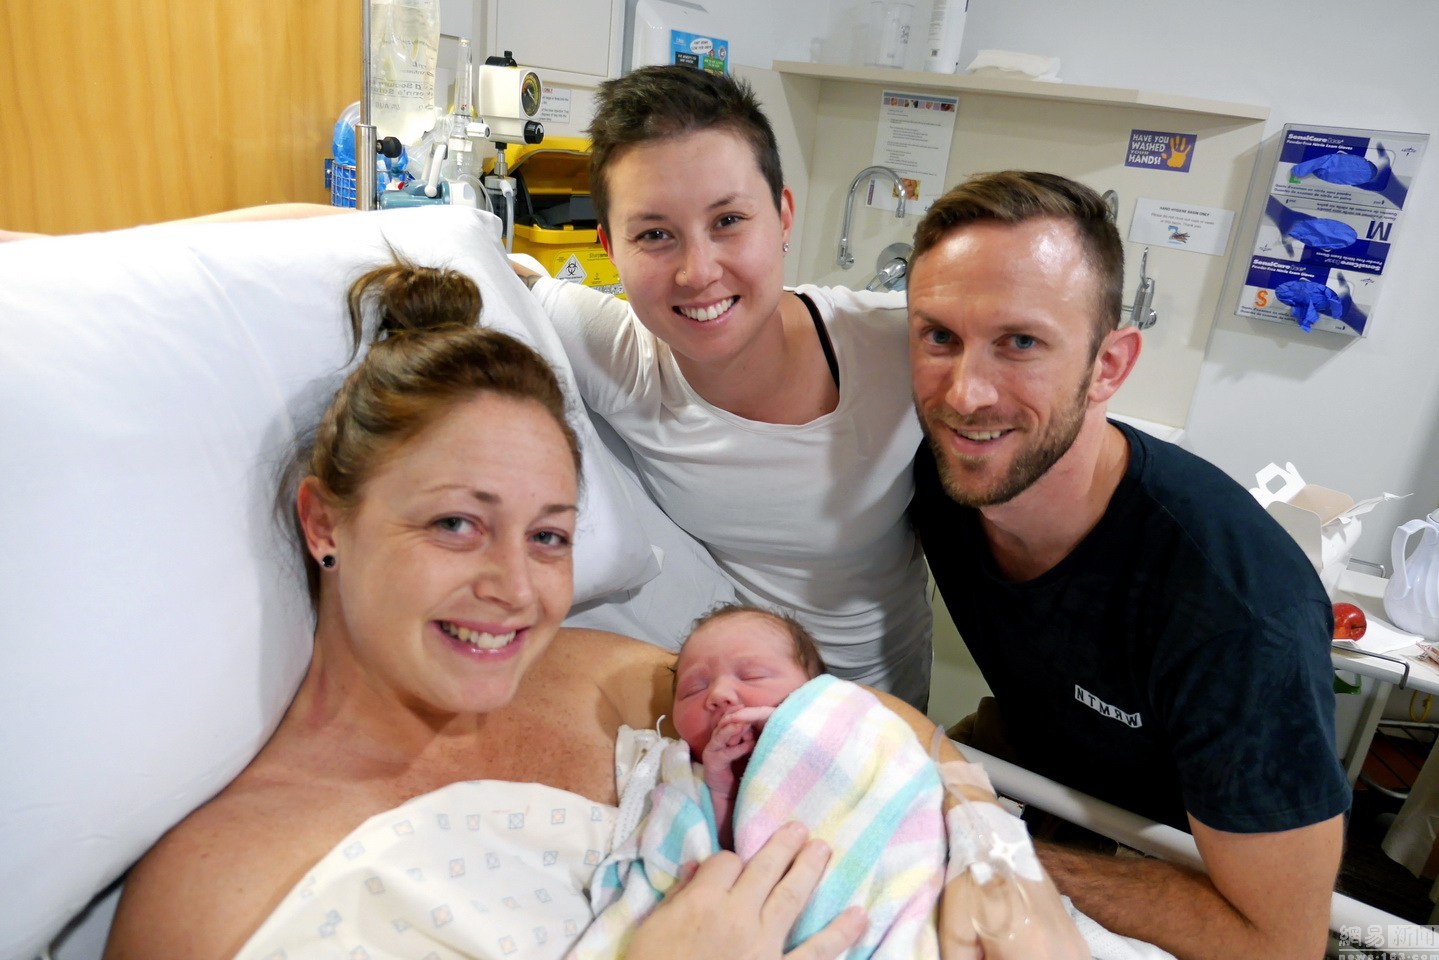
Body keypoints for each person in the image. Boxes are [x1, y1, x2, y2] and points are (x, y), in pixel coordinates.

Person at [102, 259, 871, 960]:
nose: (515, 588)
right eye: (455, 524)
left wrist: (957, 844)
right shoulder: (214, 898)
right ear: (325, 523)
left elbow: (851, 726)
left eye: (547, 537)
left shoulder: (599, 681)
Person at [906, 170, 1350, 959]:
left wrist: (983, 851)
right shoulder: (940, 480)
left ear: (1108, 366)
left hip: (1196, 863)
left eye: (1020, 343)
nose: (965, 395)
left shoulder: (1235, 612)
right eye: (938, 336)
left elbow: (1280, 939)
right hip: (1052, 775)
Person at [515, 65, 932, 708]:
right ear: (610, 248)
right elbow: (474, 264)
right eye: (654, 235)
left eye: (729, 220)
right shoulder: (621, 355)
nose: (698, 271)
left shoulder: (897, 347)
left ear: (784, 216)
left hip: (882, 712)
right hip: (728, 708)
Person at [672, 603, 826, 847]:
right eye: (694, 689)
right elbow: (724, 848)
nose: (719, 694)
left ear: (814, 691)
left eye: (752, 675)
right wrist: (721, 790)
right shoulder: (683, 780)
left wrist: (790, 735)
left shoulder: (841, 723)